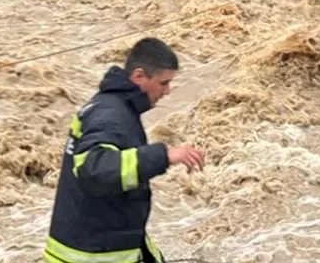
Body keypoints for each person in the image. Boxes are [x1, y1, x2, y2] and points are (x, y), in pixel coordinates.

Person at [45, 38, 204, 263]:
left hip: (97, 241)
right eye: (163, 83)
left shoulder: (114, 106)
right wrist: (164, 155)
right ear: (139, 76)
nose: (168, 91)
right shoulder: (111, 115)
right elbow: (94, 168)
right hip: (91, 254)